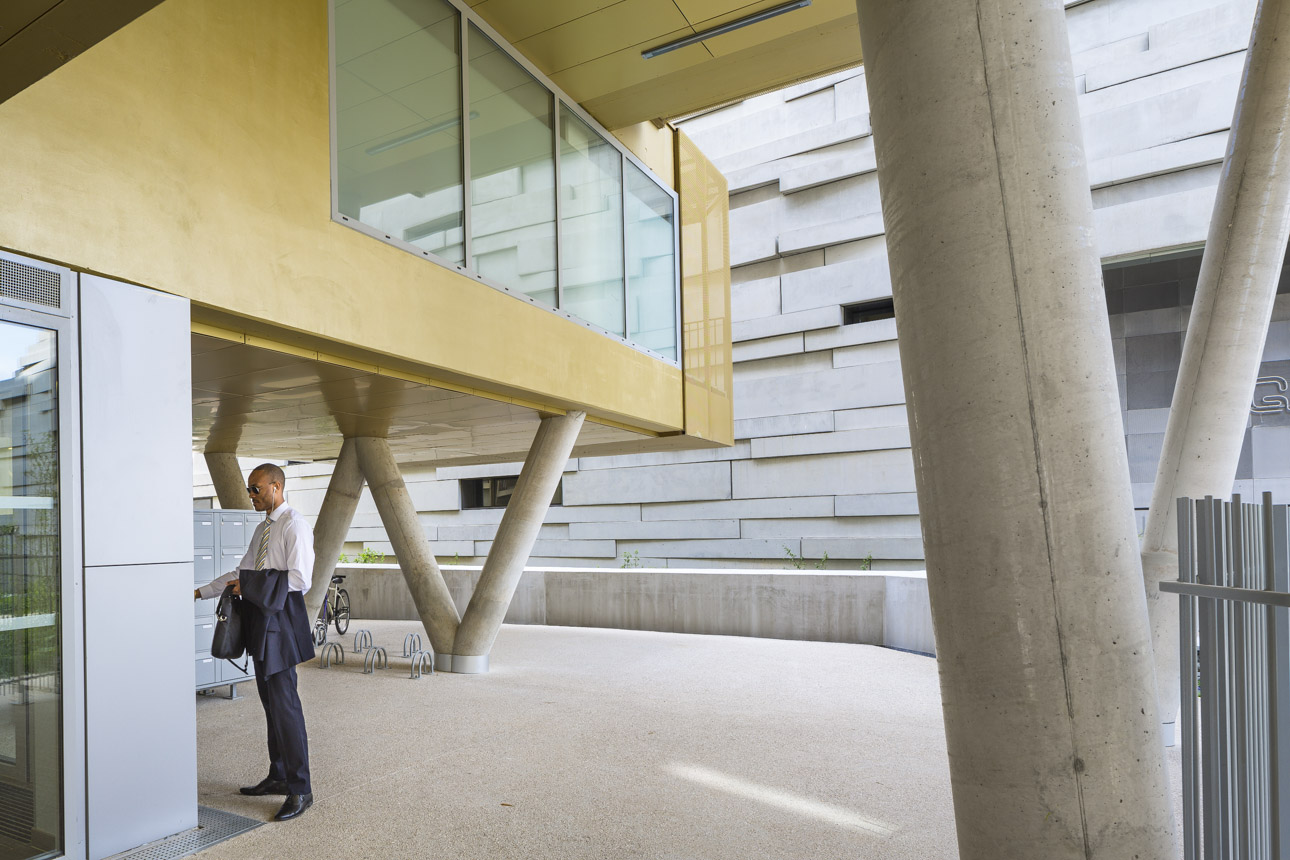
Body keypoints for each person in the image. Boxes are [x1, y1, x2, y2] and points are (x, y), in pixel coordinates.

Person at [195, 463, 316, 821]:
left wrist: (248, 586)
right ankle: (279, 775)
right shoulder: (265, 529)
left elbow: (300, 579)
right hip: (263, 625)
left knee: (286, 707)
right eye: (249, 489)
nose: (251, 495)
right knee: (271, 705)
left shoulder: (294, 525)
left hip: (281, 623)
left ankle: (301, 789)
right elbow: (242, 572)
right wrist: (201, 591)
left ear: (276, 487)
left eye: (256, 489)